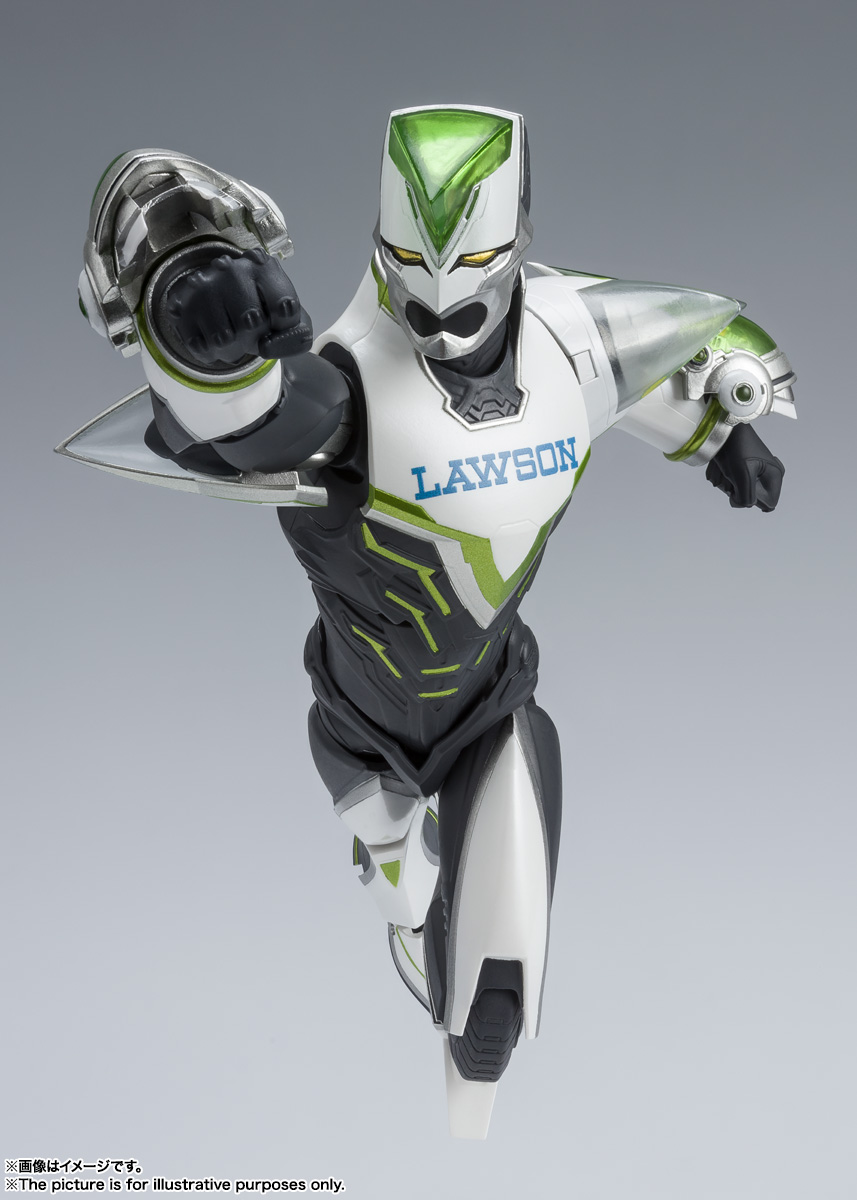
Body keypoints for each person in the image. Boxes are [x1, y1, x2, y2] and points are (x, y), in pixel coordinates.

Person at [66, 104, 795, 1137]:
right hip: (363, 724)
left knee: (493, 1004)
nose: (444, 304)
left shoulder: (568, 336)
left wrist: (726, 429)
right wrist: (190, 304)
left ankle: (468, 1119)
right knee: (406, 897)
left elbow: (668, 355)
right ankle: (412, 931)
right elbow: (239, 421)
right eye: (414, 268)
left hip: (490, 697)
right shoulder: (346, 390)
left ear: (514, 243)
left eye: (473, 271)